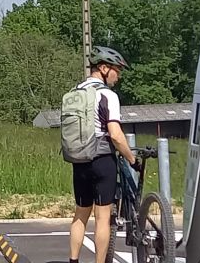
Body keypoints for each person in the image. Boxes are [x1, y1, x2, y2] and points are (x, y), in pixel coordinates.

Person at [64, 46, 139, 263]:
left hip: (79, 160)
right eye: (117, 69)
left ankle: (74, 260)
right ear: (104, 68)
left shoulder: (74, 92)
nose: (119, 75)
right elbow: (115, 134)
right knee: (102, 218)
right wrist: (132, 159)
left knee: (80, 214)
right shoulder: (108, 95)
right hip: (102, 160)